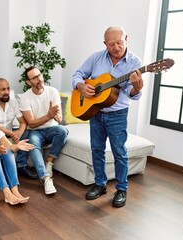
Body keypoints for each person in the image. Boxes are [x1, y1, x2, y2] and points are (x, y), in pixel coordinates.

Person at [72, 26, 144, 207]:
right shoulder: (96, 57)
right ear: (105, 44)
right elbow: (77, 74)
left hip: (117, 114)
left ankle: (121, 189)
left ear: (126, 38)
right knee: (97, 149)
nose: (116, 47)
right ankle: (100, 184)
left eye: (119, 42)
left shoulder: (135, 63)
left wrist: (137, 87)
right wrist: (81, 86)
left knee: (119, 153)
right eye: (111, 44)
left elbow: (132, 94)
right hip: (95, 113)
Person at [20, 66, 69, 195]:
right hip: (35, 131)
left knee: (63, 131)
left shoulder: (53, 91)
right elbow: (31, 123)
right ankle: (46, 178)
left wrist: (56, 115)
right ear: (28, 82)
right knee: (32, 143)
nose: (39, 79)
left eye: (39, 75)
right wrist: (48, 116)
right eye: (34, 78)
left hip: (52, 129)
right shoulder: (25, 97)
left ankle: (50, 161)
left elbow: (59, 119)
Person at [0, 78, 38, 179]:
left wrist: (19, 133)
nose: (7, 92)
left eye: (8, 89)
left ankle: (21, 166)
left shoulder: (13, 102)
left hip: (10, 134)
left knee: (27, 133)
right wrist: (11, 133)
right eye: (3, 89)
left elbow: (22, 122)